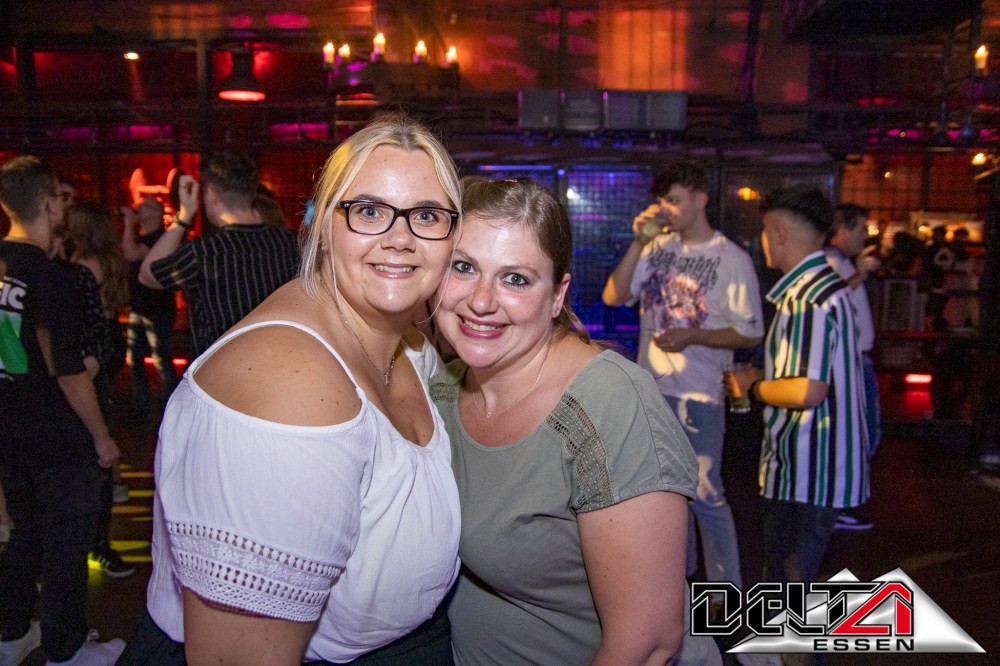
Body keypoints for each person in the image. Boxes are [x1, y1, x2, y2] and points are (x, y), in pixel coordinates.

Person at [118, 113, 462, 665]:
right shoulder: (290, 390)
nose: (400, 238)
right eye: (369, 211)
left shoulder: (409, 343)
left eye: (426, 215)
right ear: (323, 224)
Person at [430, 177, 699, 664]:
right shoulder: (442, 390)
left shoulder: (608, 404)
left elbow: (649, 644)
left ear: (558, 295)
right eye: (463, 267)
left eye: (516, 279)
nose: (482, 300)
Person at [602, 161, 764, 589]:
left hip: (701, 395)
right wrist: (638, 242)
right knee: (664, 495)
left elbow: (751, 331)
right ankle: (681, 579)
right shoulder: (656, 247)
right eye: (661, 201)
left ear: (700, 199)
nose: (665, 209)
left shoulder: (731, 259)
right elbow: (613, 295)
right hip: (652, 393)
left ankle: (727, 593)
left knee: (706, 495)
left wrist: (694, 335)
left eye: (673, 200)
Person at [0, 155, 125, 665]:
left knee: (23, 537)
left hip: (9, 429)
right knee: (66, 543)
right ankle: (66, 649)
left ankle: (12, 633)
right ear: (50, 204)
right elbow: (68, 373)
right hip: (55, 434)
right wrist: (102, 438)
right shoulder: (49, 277)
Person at [728, 186, 869, 592]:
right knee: (791, 583)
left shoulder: (806, 298)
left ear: (779, 233)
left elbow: (808, 391)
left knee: (787, 586)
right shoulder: (827, 287)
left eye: (765, 231)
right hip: (818, 468)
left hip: (807, 469)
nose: (763, 241)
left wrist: (753, 386)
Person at [138, 152, 300, 357]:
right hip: (281, 359)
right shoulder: (289, 243)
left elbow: (147, 275)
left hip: (221, 368)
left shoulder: (203, 251)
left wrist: (183, 217)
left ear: (210, 194)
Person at [63, 202, 136, 579]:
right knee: (101, 417)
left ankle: (96, 536)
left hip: (96, 348)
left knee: (95, 423)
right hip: (109, 340)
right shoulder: (107, 259)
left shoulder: (84, 265)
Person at [826, 203, 880, 532]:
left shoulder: (841, 262)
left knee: (863, 430)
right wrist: (859, 273)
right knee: (863, 431)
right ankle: (836, 505)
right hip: (849, 360)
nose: (866, 235)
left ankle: (837, 504)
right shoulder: (832, 263)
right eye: (861, 228)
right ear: (843, 230)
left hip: (855, 358)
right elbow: (833, 297)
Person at [121, 196, 180, 414]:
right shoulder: (143, 237)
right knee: (134, 357)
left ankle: (173, 402)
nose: (138, 208)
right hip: (140, 306)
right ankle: (141, 402)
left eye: (146, 206)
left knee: (160, 357)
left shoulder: (159, 239)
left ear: (158, 213)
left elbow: (131, 253)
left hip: (158, 308)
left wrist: (128, 222)